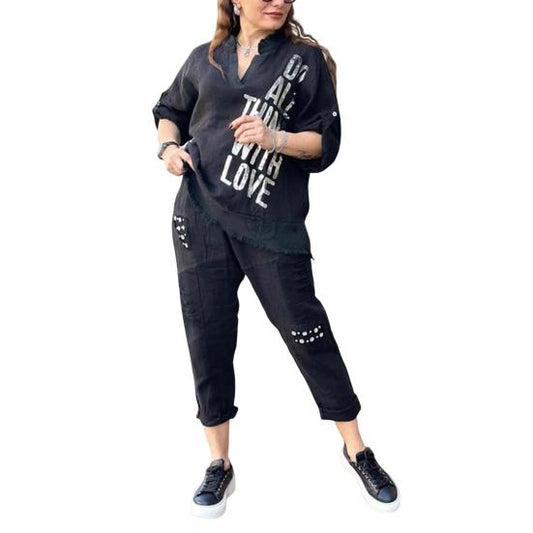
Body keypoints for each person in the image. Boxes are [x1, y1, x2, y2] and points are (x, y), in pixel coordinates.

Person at [152, 0, 400, 518]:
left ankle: (357, 449)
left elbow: (324, 143)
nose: (278, 1)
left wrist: (275, 138)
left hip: (272, 224)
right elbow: (169, 110)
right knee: (207, 335)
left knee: (307, 331)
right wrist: (169, 151)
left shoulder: (304, 61)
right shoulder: (204, 58)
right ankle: (219, 463)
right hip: (199, 216)